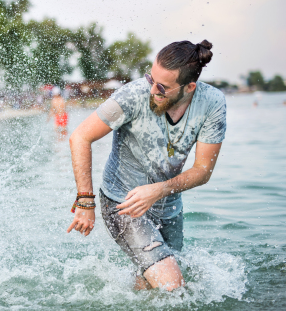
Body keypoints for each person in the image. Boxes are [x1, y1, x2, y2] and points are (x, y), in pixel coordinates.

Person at [67, 40, 225, 291]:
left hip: (169, 207)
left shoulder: (212, 103)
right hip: (122, 202)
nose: (152, 91)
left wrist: (159, 190)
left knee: (150, 285)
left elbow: (203, 171)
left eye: (162, 87)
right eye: (151, 79)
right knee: (172, 287)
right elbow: (80, 137)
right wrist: (85, 201)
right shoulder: (132, 95)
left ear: (189, 87)